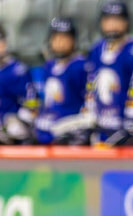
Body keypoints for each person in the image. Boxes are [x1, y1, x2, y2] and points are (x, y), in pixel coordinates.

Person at [86, 1, 133, 145]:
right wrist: (89, 113)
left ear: (126, 22)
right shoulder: (96, 49)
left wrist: (132, 120)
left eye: (117, 20)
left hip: (127, 127)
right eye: (108, 20)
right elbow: (91, 83)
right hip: (101, 124)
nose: (112, 25)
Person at [35, 17, 91, 145]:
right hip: (44, 129)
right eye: (56, 38)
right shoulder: (48, 65)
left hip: (68, 132)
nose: (60, 43)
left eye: (65, 38)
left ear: (73, 41)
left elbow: (89, 101)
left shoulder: (81, 66)